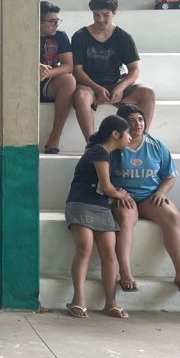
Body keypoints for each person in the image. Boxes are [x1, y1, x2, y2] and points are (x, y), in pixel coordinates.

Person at [110, 104, 180, 296]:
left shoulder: (156, 145)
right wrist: (117, 193)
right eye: (131, 121)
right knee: (125, 219)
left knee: (172, 216)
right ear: (122, 124)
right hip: (125, 198)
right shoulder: (114, 146)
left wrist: (161, 192)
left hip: (150, 197)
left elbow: (169, 176)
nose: (137, 124)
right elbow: (102, 178)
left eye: (140, 120)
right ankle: (125, 273)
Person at [64, 115, 132, 319]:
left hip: (101, 207)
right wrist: (122, 195)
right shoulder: (98, 151)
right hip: (81, 203)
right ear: (115, 134)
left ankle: (111, 303)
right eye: (127, 133)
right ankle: (79, 300)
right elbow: (107, 187)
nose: (130, 137)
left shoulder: (108, 154)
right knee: (84, 248)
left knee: (109, 253)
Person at [71, 0, 156, 142]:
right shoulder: (80, 36)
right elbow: (77, 70)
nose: (100, 19)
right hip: (89, 86)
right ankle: (92, 144)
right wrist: (97, 88)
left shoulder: (123, 37)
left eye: (105, 15)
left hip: (116, 84)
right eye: (96, 15)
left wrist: (121, 87)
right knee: (81, 96)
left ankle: (140, 141)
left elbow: (134, 70)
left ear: (114, 13)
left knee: (148, 92)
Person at [39, 0, 77, 154]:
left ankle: (55, 136)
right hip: (22, 82)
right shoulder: (23, 34)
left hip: (48, 82)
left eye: (57, 21)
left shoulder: (60, 36)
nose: (56, 25)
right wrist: (33, 67)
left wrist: (47, 73)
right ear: (38, 20)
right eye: (51, 22)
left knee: (68, 80)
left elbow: (68, 65)